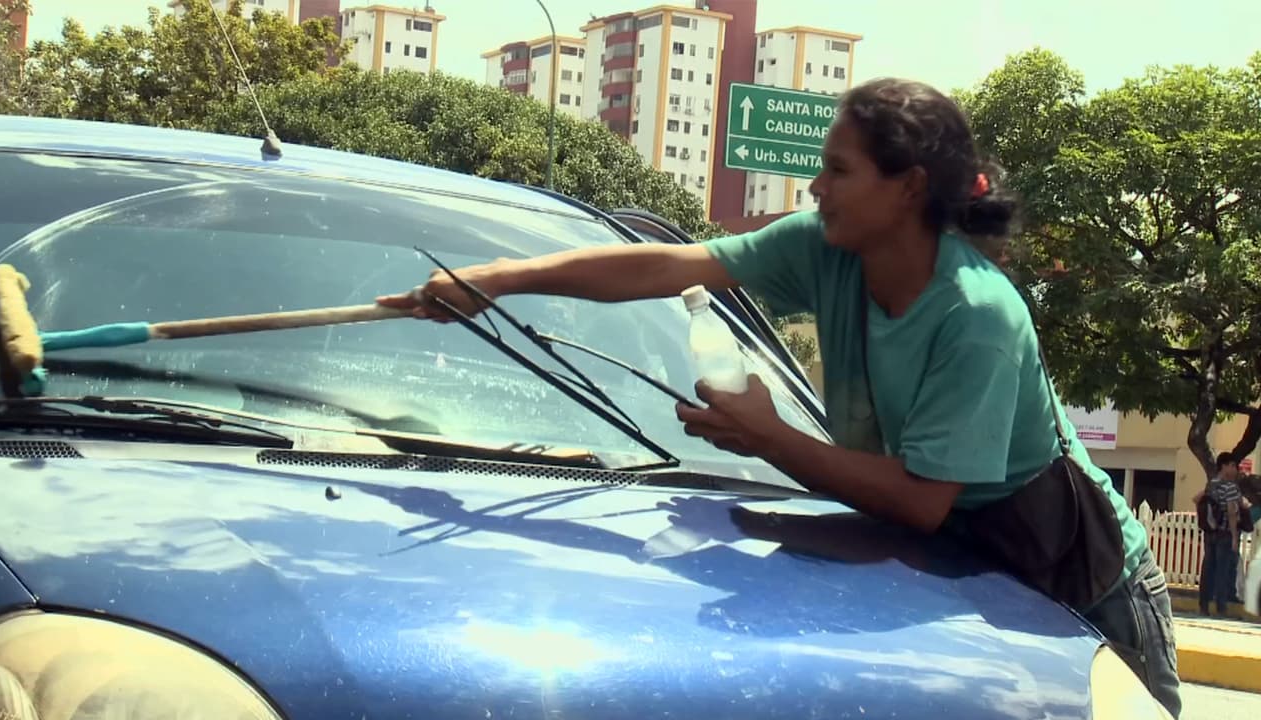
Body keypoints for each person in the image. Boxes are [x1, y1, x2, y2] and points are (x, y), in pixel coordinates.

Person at [377, 77, 1180, 717]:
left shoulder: (976, 314)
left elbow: (925, 501)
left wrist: (768, 437)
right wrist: (497, 281)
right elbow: (663, 266)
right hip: (952, 571)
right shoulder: (824, 250)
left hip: (1082, 590)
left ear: (906, 188)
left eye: (838, 170)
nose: (815, 184)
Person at [1195, 453, 1245, 613]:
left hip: (1209, 533)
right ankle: (1221, 607)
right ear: (1224, 466)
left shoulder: (1211, 485)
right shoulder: (1230, 487)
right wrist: (1235, 538)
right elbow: (1231, 512)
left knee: (1207, 568)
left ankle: (1204, 605)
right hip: (1224, 533)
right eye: (1232, 466)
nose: (1235, 470)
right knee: (1222, 570)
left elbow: (1196, 499)